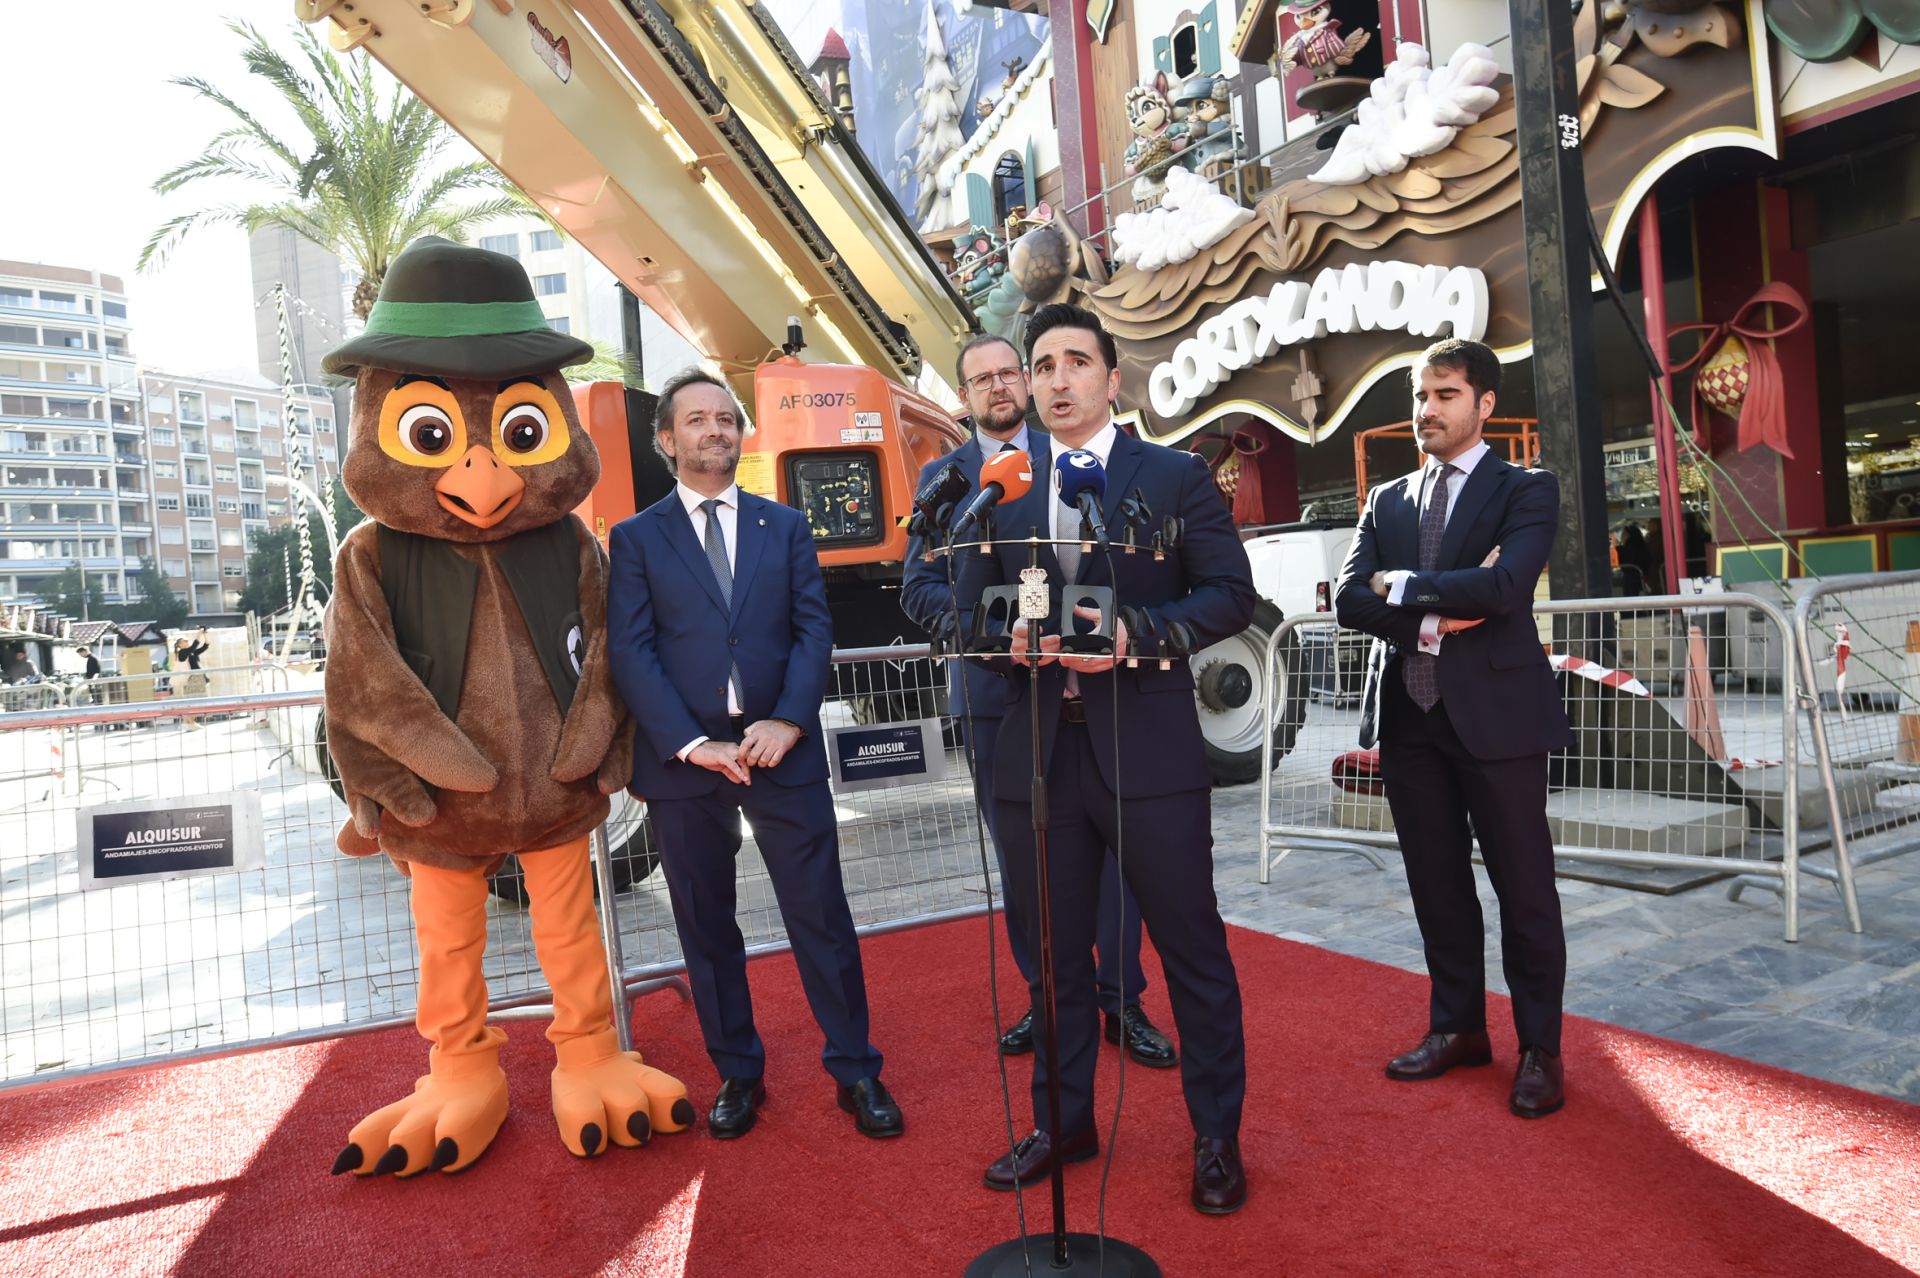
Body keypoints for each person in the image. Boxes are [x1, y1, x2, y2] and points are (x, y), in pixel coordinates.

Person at [957, 303, 1254, 1215]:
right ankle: (1064, 1124)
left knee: (1192, 949)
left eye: (1075, 362)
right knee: (1053, 962)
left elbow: (1229, 594)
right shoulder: (1003, 486)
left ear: (1111, 378)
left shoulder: (1173, 476)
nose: (1056, 379)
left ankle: (1216, 1138)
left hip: (1150, 751)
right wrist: (999, 639)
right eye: (1042, 364)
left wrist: (1137, 634)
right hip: (1038, 752)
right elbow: (967, 608)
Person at [607, 368, 901, 1142]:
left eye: (726, 418)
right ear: (666, 439)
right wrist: (693, 743)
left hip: (782, 756)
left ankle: (857, 1070)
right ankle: (739, 1073)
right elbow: (632, 652)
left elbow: (813, 630)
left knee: (822, 917)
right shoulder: (635, 539)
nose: (716, 430)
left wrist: (789, 721)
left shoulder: (787, 526)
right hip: (685, 768)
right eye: (697, 420)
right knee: (706, 927)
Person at [901, 332, 1175, 1070]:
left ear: (1025, 381)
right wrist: (992, 632)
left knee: (1115, 855)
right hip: (999, 698)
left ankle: (1122, 998)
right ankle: (1046, 995)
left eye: (1007, 373)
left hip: (1099, 693)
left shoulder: (1077, 457)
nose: (998, 387)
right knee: (1025, 864)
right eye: (980, 379)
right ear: (963, 397)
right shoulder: (945, 481)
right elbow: (918, 588)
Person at [1334, 337, 1573, 1118]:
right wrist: (1435, 619)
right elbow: (1349, 600)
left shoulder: (1526, 489)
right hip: (1411, 718)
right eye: (1420, 395)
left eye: (1444, 394)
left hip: (1498, 721)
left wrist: (1400, 584)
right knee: (1436, 886)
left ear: (1484, 404)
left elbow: (1505, 588)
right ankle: (1458, 1028)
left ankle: (1540, 1049)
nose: (1426, 409)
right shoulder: (1387, 500)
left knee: (1524, 890)